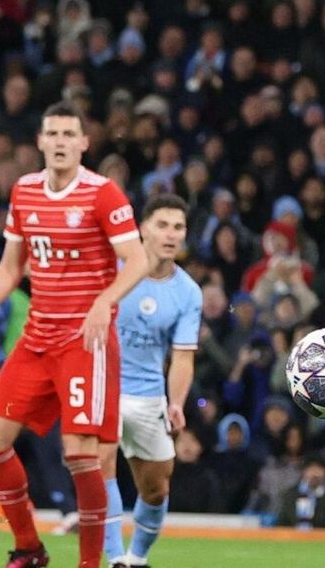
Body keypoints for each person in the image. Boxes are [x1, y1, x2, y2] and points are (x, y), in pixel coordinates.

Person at [0, 101, 148, 568]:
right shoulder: (24, 192)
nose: (60, 142)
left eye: (68, 134)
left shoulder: (103, 194)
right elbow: (11, 265)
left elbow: (137, 260)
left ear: (84, 143)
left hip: (86, 342)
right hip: (37, 338)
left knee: (81, 456)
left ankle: (88, 564)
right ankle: (29, 547)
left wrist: (104, 301)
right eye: (52, 133)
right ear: (39, 142)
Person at [100, 194, 202, 567]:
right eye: (162, 224)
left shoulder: (188, 291)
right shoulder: (112, 268)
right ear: (142, 228)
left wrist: (176, 403)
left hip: (147, 396)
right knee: (102, 465)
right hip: (103, 388)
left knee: (157, 488)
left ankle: (137, 557)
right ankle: (115, 559)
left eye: (178, 227)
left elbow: (182, 357)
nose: (170, 234)